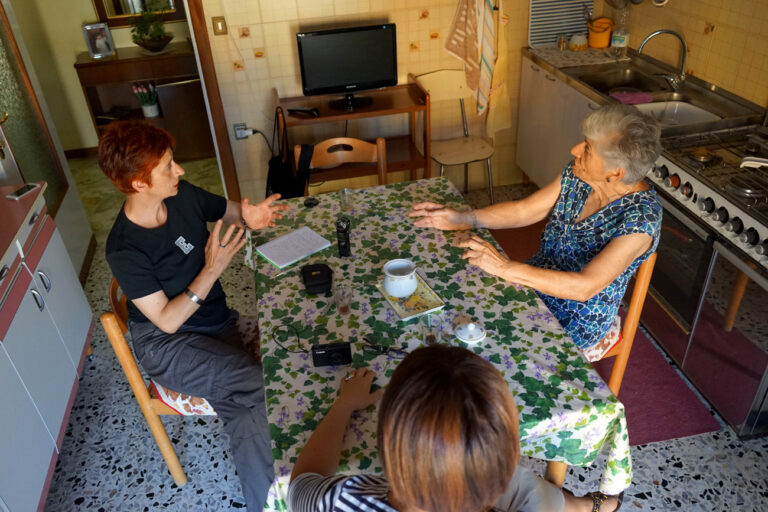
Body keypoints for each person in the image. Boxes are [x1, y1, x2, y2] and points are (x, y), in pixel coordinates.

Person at [100, 120, 289, 509]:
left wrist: (249, 215)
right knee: (259, 384)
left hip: (213, 323)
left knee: (244, 406)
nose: (180, 171)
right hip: (167, 345)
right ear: (138, 182)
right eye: (168, 166)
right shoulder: (124, 247)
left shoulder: (182, 196)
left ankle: (268, 500)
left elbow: (230, 211)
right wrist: (212, 270)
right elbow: (167, 321)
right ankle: (286, 488)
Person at [409, 104, 662, 361]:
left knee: (478, 346)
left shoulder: (642, 219)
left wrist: (504, 268)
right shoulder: (579, 174)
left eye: (586, 148)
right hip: (532, 283)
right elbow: (525, 211)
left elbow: (584, 288)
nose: (575, 150)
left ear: (615, 173)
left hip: (575, 318)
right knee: (453, 299)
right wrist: (463, 219)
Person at [288, 345, 622, 511]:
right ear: (513, 456)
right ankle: (593, 505)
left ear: (385, 447)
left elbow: (302, 483)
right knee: (532, 491)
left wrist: (344, 405)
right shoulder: (508, 481)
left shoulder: (343, 500)